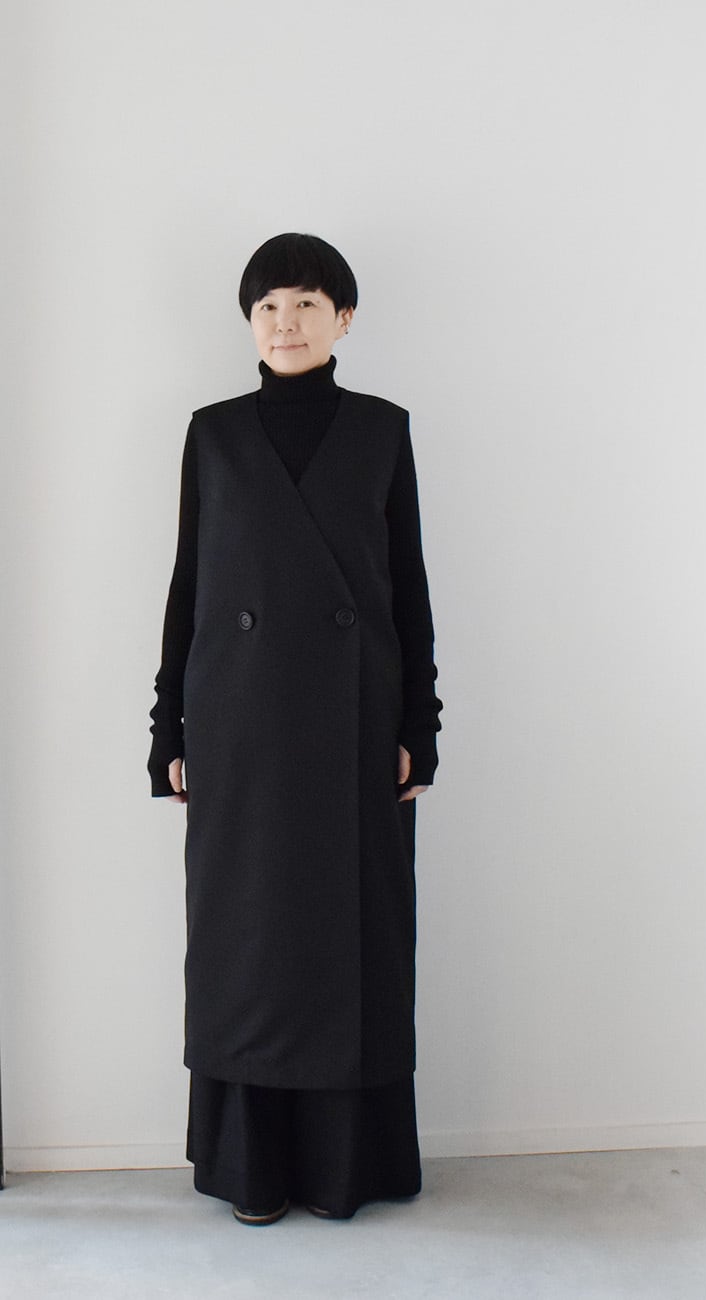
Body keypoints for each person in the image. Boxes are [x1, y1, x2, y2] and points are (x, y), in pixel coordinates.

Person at [148, 232, 442, 1225]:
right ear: (250, 321)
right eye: (268, 306)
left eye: (307, 304)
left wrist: (419, 726)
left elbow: (407, 590)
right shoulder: (213, 435)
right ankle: (253, 1170)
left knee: (353, 941)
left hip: (355, 727)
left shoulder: (383, 431)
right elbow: (189, 590)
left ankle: (343, 1169)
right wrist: (168, 729)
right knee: (245, 945)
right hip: (236, 728)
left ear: (343, 319)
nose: (286, 323)